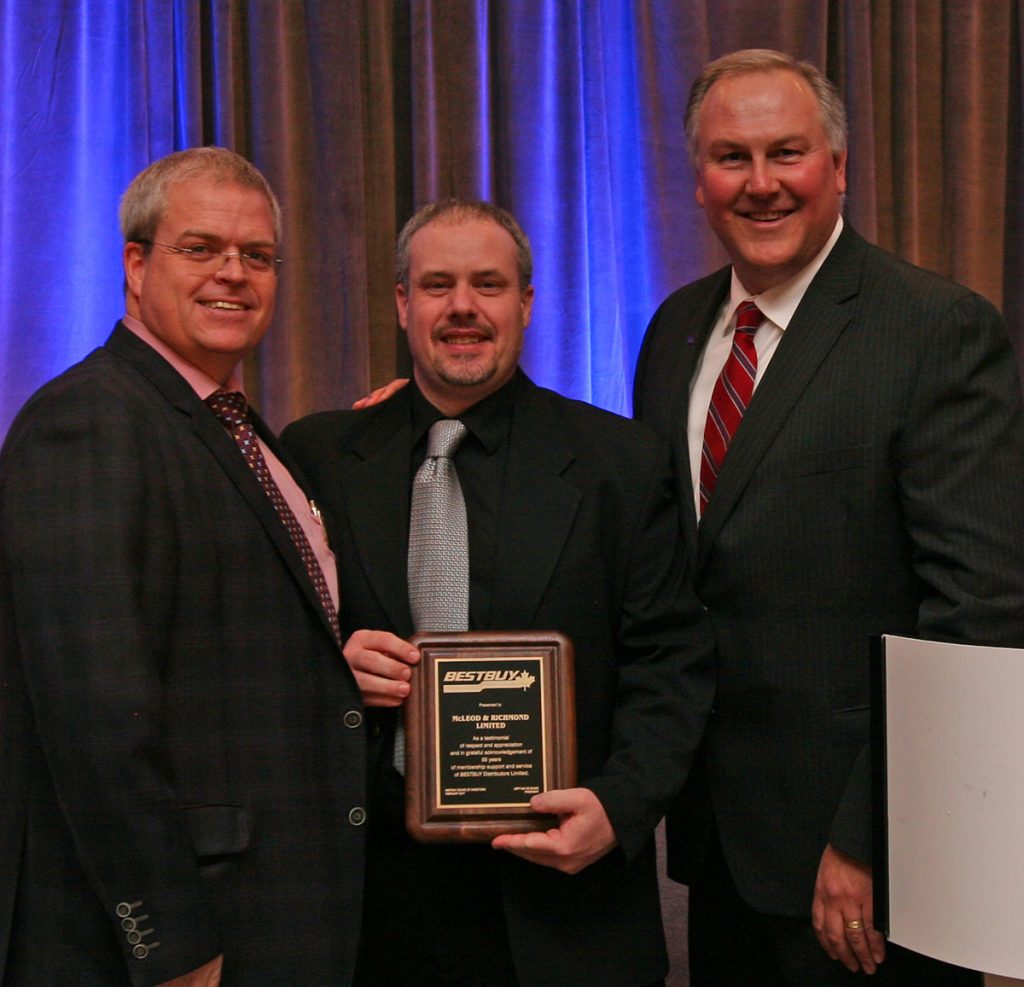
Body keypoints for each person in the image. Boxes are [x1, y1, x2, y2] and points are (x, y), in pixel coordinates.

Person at [633, 49, 1024, 985]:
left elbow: (979, 614)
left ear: (838, 166)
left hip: (865, 864)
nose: (760, 183)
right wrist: (434, 419)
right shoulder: (673, 331)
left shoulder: (934, 329)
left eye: (787, 153)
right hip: (718, 848)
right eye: (732, 157)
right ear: (699, 181)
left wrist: (873, 834)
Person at [281, 199, 714, 987]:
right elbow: (268, 653)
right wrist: (331, 665)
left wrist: (618, 807)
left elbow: (672, 662)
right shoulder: (319, 456)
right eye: (436, 285)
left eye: (488, 284)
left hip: (565, 904)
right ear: (403, 303)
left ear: (527, 303)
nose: (463, 307)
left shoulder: (620, 462)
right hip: (375, 908)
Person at [0, 147, 367, 986]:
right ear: (136, 266)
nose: (233, 272)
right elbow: (94, 715)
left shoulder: (241, 431)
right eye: (201, 248)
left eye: (257, 255)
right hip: (162, 944)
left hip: (266, 915)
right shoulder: (86, 421)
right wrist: (165, 937)